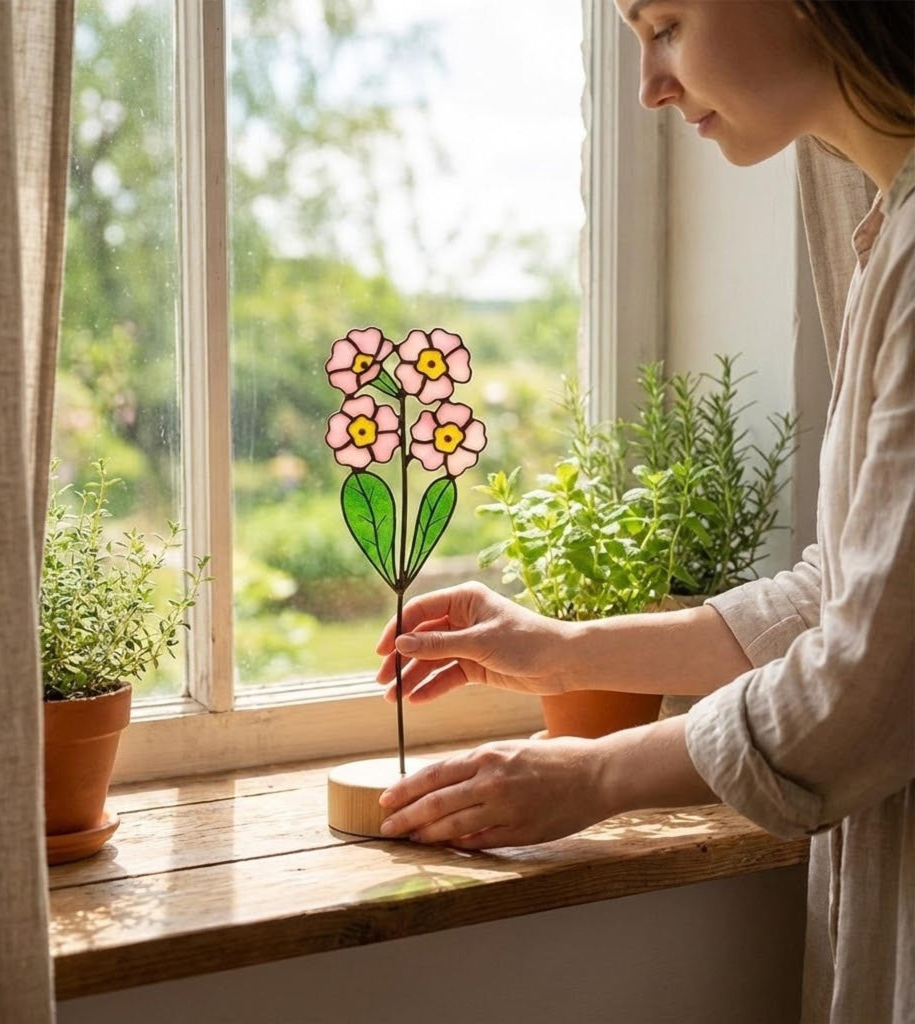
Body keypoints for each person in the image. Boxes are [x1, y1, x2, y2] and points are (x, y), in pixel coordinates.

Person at [374, 2, 914, 1021]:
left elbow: (866, 683)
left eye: (664, 22)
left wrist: (591, 775)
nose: (649, 87)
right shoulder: (887, 230)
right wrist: (563, 651)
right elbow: (849, 595)